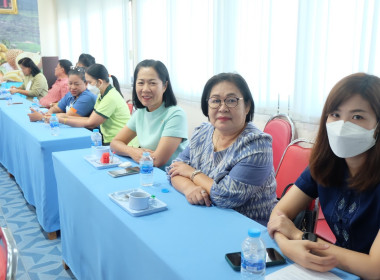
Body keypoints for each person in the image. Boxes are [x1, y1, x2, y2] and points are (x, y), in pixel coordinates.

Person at [267, 73, 380, 278]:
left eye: (357, 117)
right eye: (335, 114)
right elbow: (278, 215)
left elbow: (375, 268)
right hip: (338, 271)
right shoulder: (325, 165)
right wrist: (287, 246)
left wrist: (299, 236)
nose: (342, 125)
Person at [167, 73, 277, 225]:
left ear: (247, 106)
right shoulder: (202, 132)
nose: (223, 108)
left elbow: (226, 196)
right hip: (205, 218)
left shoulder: (257, 144)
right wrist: (189, 189)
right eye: (216, 101)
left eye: (231, 101)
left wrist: (191, 173)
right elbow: (174, 170)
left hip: (249, 229)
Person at [110, 59, 188, 169]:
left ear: (164, 86)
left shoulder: (176, 115)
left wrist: (135, 153)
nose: (145, 89)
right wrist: (133, 151)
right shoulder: (140, 113)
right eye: (141, 83)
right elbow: (115, 143)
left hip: (172, 178)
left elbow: (157, 161)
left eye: (152, 83)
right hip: (147, 171)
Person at [57, 64, 136, 145]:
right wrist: (63, 117)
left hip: (123, 142)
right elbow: (90, 119)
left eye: (90, 82)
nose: (88, 85)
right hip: (113, 140)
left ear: (100, 82)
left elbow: (90, 123)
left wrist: (62, 120)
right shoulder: (101, 96)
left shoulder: (110, 97)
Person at [28, 67, 97, 122]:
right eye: (70, 83)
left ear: (86, 83)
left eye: (76, 84)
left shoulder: (87, 97)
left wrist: (43, 117)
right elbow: (56, 108)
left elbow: (69, 116)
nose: (72, 87)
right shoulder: (70, 94)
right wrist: (48, 114)